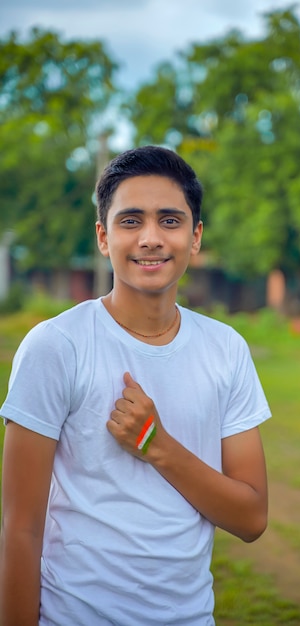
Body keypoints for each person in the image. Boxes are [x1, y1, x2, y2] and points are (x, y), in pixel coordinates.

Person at [0, 145, 271, 626]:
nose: (151, 238)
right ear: (103, 237)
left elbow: (251, 519)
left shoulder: (226, 349)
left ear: (196, 237)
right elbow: (20, 529)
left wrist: (158, 445)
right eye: (130, 221)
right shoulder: (56, 346)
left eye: (170, 220)